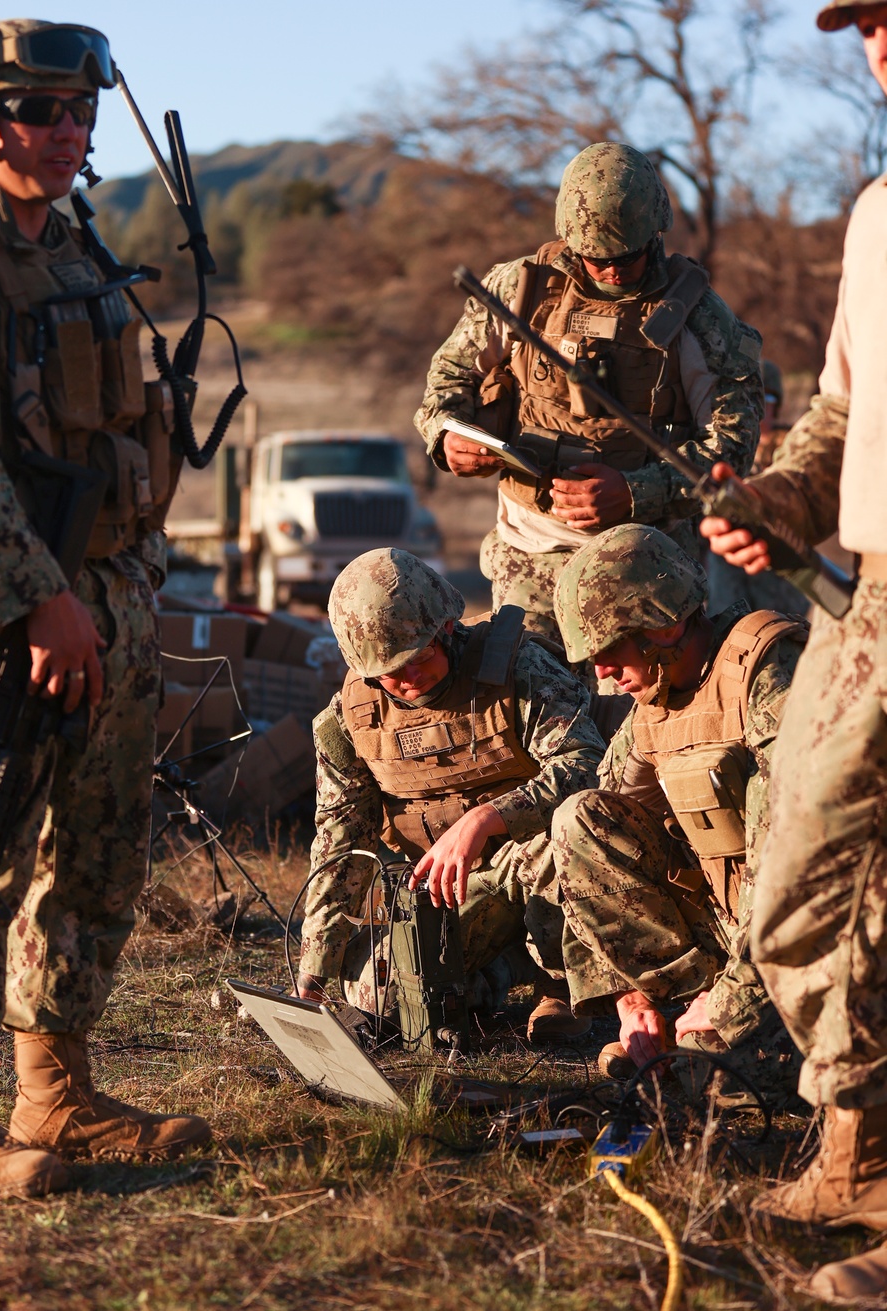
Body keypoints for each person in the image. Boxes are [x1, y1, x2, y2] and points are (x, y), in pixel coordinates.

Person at [0, 19, 210, 1201]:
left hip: (111, 597)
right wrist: (38, 603)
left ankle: (56, 1090)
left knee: (98, 846)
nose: (69, 132)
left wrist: (127, 584)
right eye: (40, 113)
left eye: (80, 113)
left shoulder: (74, 250)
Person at [702, 2, 887, 1298]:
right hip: (870, 597)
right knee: (801, 878)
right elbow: (837, 406)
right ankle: (859, 1144)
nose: (880, 46)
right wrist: (777, 495)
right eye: (870, 25)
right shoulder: (877, 215)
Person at [413, 141, 764, 646]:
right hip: (530, 554)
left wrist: (636, 492)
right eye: (596, 260)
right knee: (529, 704)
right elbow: (447, 379)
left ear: (657, 234)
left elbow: (734, 450)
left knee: (638, 717)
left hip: (648, 564)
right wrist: (447, 435)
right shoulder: (521, 290)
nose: (613, 271)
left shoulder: (700, 319)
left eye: (629, 256)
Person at [296, 548, 606, 1042]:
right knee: (378, 997)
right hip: (446, 893)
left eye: (418, 659)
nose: (408, 680)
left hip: (537, 864)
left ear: (444, 630)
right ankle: (501, 970)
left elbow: (586, 767)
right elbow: (339, 842)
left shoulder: (519, 669)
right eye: (389, 673)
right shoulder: (348, 720)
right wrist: (313, 973)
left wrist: (487, 819)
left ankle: (564, 986)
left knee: (572, 830)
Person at [549, 525, 806, 1103]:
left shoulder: (769, 672)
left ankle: (731, 1043)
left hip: (813, 936)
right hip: (736, 932)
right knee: (579, 820)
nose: (602, 677)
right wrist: (629, 996)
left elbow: (799, 860)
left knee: (714, 1079)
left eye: (609, 653)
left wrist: (728, 1008)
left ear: (662, 626)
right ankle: (676, 1026)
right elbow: (581, 854)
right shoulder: (653, 708)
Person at [706, 359, 806, 615]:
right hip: (726, 581)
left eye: (766, 401)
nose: (757, 410)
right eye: (746, 400)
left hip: (780, 585)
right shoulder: (717, 450)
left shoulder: (796, 453)